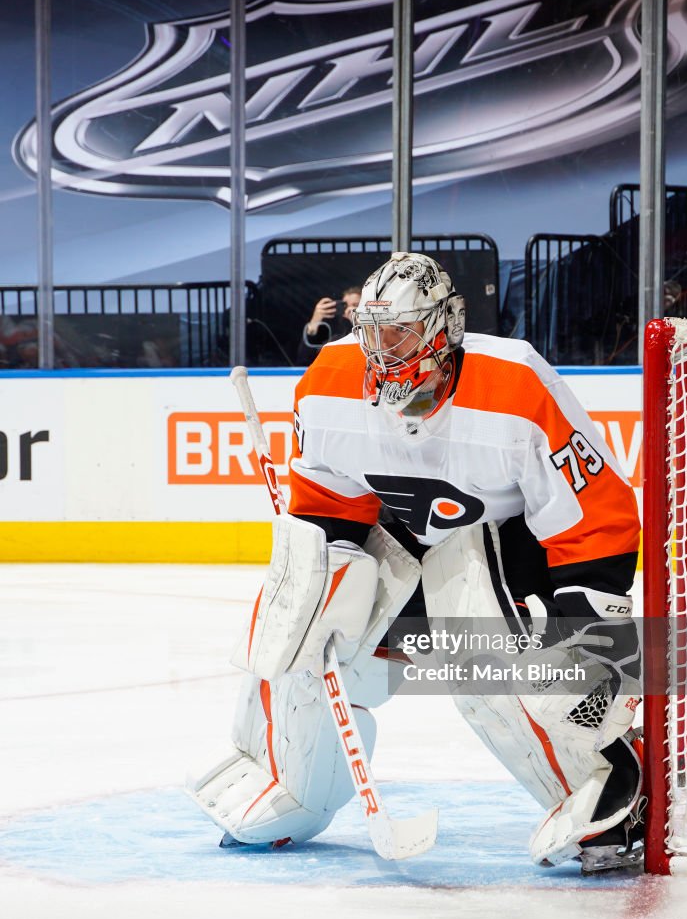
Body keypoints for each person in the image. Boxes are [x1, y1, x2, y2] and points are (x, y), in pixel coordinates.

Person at [188, 253, 643, 873]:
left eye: (399, 332)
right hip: (397, 536)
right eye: (371, 331)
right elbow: (329, 504)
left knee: (501, 681)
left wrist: (590, 628)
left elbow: (594, 515)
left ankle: (609, 784)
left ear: (444, 328)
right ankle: (289, 783)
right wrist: (321, 581)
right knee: (300, 643)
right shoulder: (329, 381)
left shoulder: (515, 383)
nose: (381, 349)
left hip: (503, 541)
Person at [296, 286, 361, 365]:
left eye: (356, 305)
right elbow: (305, 361)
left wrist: (360, 324)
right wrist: (314, 322)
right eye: (345, 305)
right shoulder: (334, 334)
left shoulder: (374, 333)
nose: (350, 309)